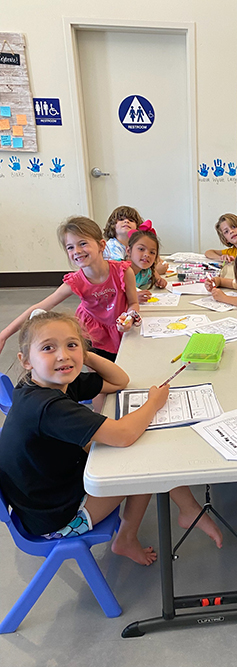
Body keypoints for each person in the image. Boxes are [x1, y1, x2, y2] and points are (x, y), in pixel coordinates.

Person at [0, 312, 222, 567]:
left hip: (50, 490)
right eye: (48, 348)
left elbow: (119, 381)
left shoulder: (48, 381)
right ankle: (132, 535)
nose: (63, 355)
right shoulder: (48, 406)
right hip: (58, 518)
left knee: (138, 444)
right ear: (25, 360)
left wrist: (82, 354)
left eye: (71, 344)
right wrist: (153, 404)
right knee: (142, 458)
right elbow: (124, 435)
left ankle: (187, 509)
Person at [0, 216, 140, 363]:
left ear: (101, 245)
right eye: (70, 247)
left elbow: (133, 303)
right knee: (100, 376)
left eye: (83, 243)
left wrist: (129, 317)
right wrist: (3, 335)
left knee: (125, 368)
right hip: (90, 336)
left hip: (121, 331)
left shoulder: (123, 271)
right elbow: (40, 307)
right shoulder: (75, 282)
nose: (77, 251)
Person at [103, 207, 168, 274]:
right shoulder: (111, 246)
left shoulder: (138, 244)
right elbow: (121, 272)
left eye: (131, 220)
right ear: (112, 225)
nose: (126, 221)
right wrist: (155, 272)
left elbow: (154, 259)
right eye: (121, 219)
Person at [127, 223, 168, 303]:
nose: (147, 255)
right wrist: (132, 298)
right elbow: (109, 296)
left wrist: (159, 280)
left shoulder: (145, 272)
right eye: (141, 249)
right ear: (129, 251)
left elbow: (153, 272)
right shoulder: (117, 270)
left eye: (152, 252)